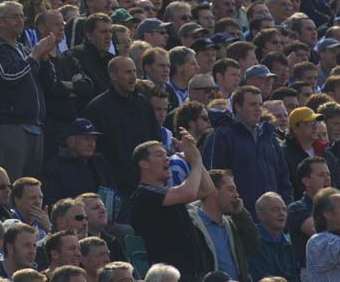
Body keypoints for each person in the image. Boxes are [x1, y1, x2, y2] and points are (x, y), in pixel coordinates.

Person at [0, 1, 56, 179]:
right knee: (9, 183)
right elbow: (7, 76)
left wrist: (45, 60)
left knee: (29, 187)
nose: (20, 20)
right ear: (0, 22)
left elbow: (48, 85)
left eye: (22, 16)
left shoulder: (24, 50)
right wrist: (34, 57)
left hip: (35, 126)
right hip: (12, 126)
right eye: (15, 16)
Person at [130, 135, 211, 281]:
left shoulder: (170, 193)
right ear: (144, 164)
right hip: (170, 276)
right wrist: (196, 162)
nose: (166, 158)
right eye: (159, 155)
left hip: (194, 273)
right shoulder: (144, 193)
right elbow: (190, 192)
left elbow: (207, 190)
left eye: (166, 154)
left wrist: (196, 159)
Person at [203, 86, 293, 218]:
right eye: (252, 104)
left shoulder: (269, 136)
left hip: (272, 219)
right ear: (238, 107)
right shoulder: (222, 135)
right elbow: (213, 178)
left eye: (260, 104)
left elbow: (283, 177)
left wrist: (285, 206)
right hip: (238, 218)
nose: (258, 109)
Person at [85, 57, 161, 197]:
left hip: (144, 182)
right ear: (113, 75)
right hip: (114, 185)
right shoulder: (98, 108)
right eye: (128, 72)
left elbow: (155, 138)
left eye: (134, 72)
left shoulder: (143, 105)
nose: (133, 77)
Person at [186, 170, 260, 282]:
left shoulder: (232, 224)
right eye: (231, 189)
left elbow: (254, 245)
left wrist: (241, 215)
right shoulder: (191, 225)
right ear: (213, 191)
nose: (237, 195)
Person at [40, 119, 115, 207]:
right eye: (86, 139)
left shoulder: (100, 163)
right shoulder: (54, 167)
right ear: (71, 141)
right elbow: (51, 201)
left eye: (94, 139)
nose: (92, 144)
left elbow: (113, 192)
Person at [248, 192, 298, 282]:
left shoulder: (289, 243)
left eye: (284, 209)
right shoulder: (253, 240)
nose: (282, 213)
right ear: (261, 215)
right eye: (275, 210)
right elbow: (259, 276)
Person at [283, 107, 324, 200]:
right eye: (308, 123)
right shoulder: (285, 153)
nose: (315, 127)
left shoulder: (325, 151)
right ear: (295, 128)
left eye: (316, 122)